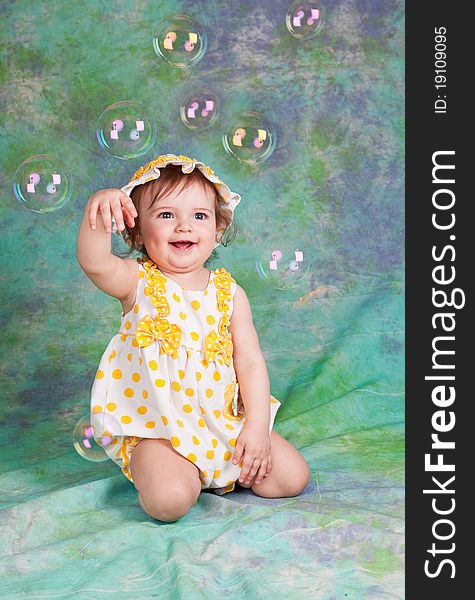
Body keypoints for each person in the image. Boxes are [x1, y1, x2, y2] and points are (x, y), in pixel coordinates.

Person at [77, 153, 310, 522]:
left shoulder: (229, 292)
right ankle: (169, 474)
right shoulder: (136, 282)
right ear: (136, 231)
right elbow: (94, 262)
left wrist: (256, 427)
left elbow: (249, 361)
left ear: (217, 230)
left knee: (292, 477)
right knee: (170, 502)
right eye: (166, 215)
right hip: (160, 432)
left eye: (199, 216)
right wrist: (99, 213)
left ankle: (217, 469)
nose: (184, 226)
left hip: (223, 425)